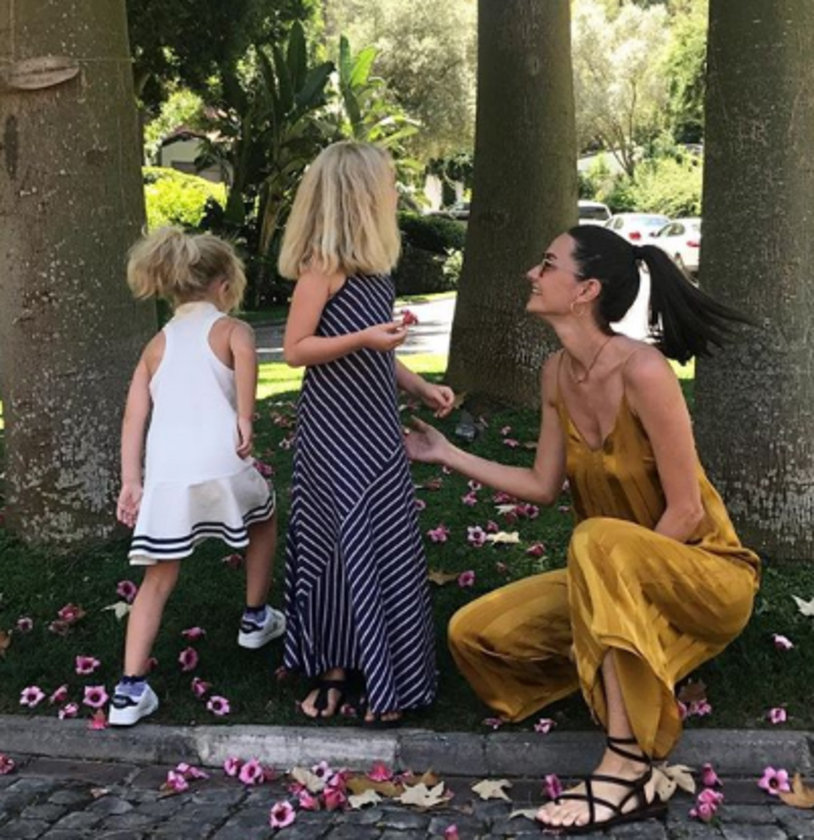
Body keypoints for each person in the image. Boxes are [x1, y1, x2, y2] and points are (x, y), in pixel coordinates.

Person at [405, 225, 759, 833]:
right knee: (476, 634)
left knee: (596, 537)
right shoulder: (556, 373)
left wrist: (613, 596)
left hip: (705, 576)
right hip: (608, 572)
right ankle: (616, 665)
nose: (531, 273)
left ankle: (627, 764)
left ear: (585, 290)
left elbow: (687, 512)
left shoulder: (643, 370)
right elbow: (542, 485)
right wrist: (446, 454)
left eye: (547, 264)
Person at [279, 141, 455, 725]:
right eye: (387, 183)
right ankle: (333, 668)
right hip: (334, 430)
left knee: (380, 540)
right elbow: (295, 350)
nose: (394, 193)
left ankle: (385, 672)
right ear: (357, 196)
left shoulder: (378, 273)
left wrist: (420, 386)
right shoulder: (321, 269)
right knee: (336, 540)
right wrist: (362, 339)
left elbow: (378, 355)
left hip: (376, 427)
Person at [109, 227, 284, 726]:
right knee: (264, 519)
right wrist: (245, 419)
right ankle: (255, 617)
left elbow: (133, 417)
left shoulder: (155, 346)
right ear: (224, 285)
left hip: (167, 478)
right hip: (222, 464)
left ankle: (129, 691)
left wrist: (131, 480)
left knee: (157, 577)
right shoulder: (232, 330)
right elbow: (246, 368)